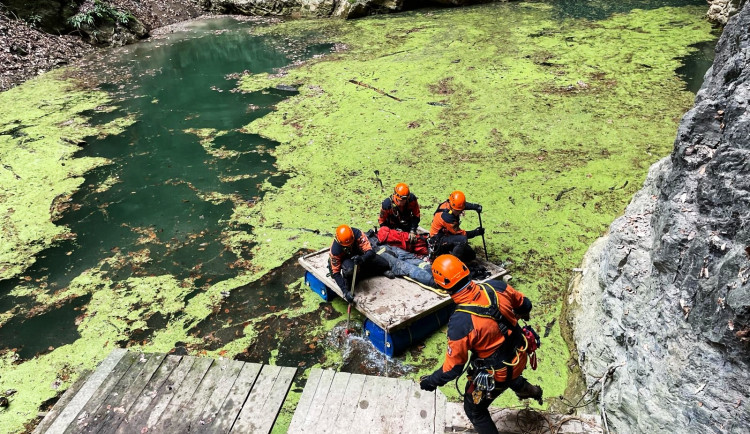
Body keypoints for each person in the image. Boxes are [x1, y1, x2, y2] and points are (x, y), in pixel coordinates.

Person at [419, 255, 543, 434]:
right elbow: (526, 304)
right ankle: (534, 392)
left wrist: (430, 382)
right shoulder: (497, 287)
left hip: (498, 373)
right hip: (520, 354)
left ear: (441, 286)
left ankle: (525, 389)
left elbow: (453, 368)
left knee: (474, 411)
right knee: (511, 375)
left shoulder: (460, 323)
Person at [329, 224, 393, 303]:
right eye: (346, 246)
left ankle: (367, 272)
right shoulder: (335, 250)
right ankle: (349, 278)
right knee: (350, 270)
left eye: (350, 244)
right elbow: (335, 272)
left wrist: (363, 258)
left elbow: (370, 251)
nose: (349, 246)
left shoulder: (358, 234)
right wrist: (345, 291)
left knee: (384, 264)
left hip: (359, 255)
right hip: (346, 260)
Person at [429, 190, 484, 262]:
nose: (461, 212)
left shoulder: (449, 204)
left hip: (448, 235)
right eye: (459, 211)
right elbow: (462, 234)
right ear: (453, 208)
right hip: (438, 241)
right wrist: (476, 232)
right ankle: (452, 262)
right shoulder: (448, 218)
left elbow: (461, 205)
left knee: (471, 255)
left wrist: (475, 207)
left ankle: (453, 253)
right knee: (462, 240)